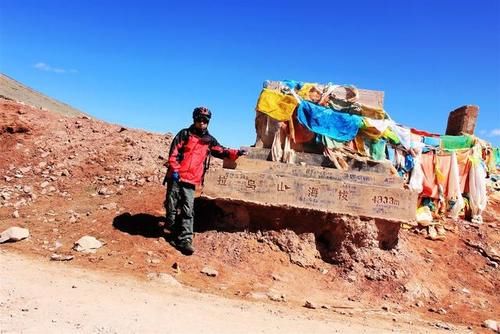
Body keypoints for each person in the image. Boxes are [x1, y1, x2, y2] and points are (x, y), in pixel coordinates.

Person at [164, 106, 246, 255]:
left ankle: (185, 240)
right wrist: (174, 170)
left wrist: (237, 153)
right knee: (171, 206)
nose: (202, 122)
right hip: (176, 176)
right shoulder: (184, 134)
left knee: (188, 210)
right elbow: (174, 153)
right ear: (194, 119)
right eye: (199, 119)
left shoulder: (209, 140)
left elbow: (222, 151)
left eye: (205, 120)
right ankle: (171, 225)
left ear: (208, 122)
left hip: (191, 179)